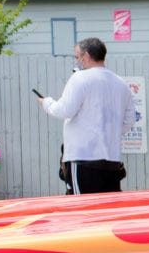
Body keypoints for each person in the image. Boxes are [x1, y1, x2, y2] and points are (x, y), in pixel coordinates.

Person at [36, 37, 134, 194]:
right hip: (112, 159)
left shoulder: (80, 78)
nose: (76, 62)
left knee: (82, 210)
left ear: (86, 56)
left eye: (77, 57)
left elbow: (64, 110)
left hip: (83, 158)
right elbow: (129, 121)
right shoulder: (121, 83)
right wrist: (108, 133)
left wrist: (46, 102)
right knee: (109, 211)